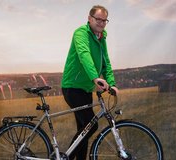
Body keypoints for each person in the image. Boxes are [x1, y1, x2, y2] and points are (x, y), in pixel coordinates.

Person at [61, 5, 119, 160]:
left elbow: (105, 61)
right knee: (91, 125)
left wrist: (111, 83)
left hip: (86, 89)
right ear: (89, 18)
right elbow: (84, 54)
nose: (101, 23)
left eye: (104, 20)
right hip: (72, 87)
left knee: (84, 129)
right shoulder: (81, 33)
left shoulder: (101, 37)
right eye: (98, 19)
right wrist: (95, 77)